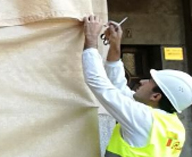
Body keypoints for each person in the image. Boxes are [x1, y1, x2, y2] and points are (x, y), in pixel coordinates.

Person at [82, 15, 191, 156]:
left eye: (150, 81)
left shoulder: (144, 119)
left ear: (156, 96)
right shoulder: (174, 127)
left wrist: (91, 39)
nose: (142, 81)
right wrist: (115, 44)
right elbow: (118, 86)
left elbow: (98, 83)